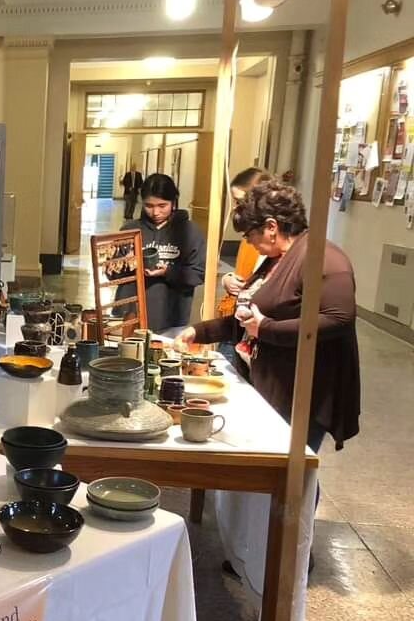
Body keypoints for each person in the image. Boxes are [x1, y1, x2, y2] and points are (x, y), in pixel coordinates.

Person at [175, 181, 360, 452]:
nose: (248, 242)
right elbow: (251, 318)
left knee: (293, 470)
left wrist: (267, 329)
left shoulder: (324, 258)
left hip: (303, 392)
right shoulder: (279, 257)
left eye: (249, 235)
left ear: (272, 227)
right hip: (273, 383)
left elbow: (339, 318)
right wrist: (200, 332)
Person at [117, 173, 206, 333]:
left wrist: (167, 272)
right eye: (149, 206)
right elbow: (112, 274)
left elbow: (198, 274)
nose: (155, 212)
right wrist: (125, 264)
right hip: (129, 315)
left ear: (174, 202)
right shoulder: (129, 230)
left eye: (162, 205)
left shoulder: (190, 232)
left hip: (171, 317)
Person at [215, 167, 272, 372]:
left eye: (241, 202)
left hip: (255, 329)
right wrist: (227, 280)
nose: (236, 208)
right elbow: (244, 272)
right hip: (235, 322)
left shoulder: (275, 242)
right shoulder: (250, 236)